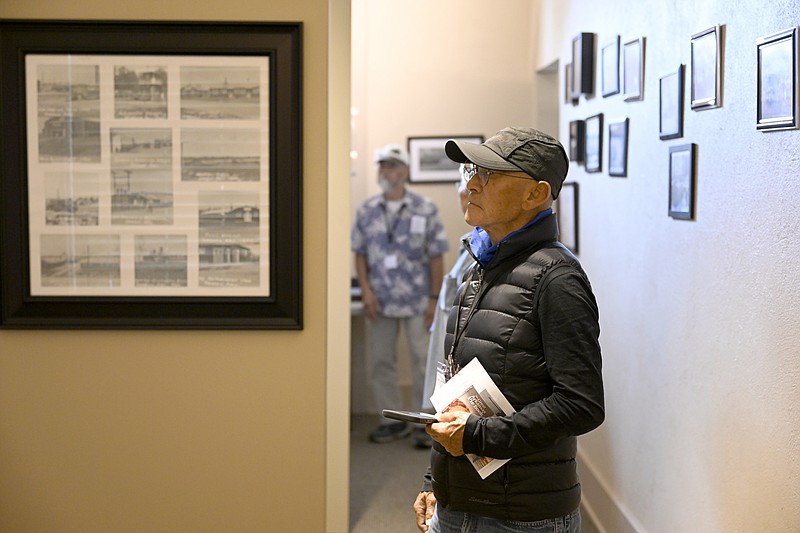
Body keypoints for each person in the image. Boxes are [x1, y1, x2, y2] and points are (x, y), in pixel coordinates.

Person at [412, 127, 605, 532]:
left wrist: (478, 435)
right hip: (457, 503)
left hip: (520, 518)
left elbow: (581, 404)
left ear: (535, 194)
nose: (473, 185)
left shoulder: (557, 279)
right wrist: (436, 480)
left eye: (491, 175)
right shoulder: (477, 267)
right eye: (473, 171)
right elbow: (457, 388)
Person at [352, 143, 450, 446]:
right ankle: (391, 422)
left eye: (393, 166)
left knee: (424, 360)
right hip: (379, 300)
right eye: (383, 166)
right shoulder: (367, 210)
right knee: (381, 361)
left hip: (419, 300)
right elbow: (360, 253)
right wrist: (365, 291)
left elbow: (437, 256)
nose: (387, 171)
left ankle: (425, 422)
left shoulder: (425, 208)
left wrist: (435, 298)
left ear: (405, 171)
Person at [420, 170, 475, 414]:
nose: (466, 199)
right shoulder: (470, 245)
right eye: (462, 192)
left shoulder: (487, 249)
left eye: (471, 192)